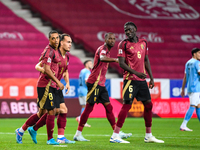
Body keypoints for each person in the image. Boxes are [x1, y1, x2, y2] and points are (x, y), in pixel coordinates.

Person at [110, 22, 164, 143]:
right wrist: (136, 72)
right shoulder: (123, 44)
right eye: (125, 30)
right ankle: (115, 135)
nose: (127, 32)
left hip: (142, 80)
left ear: (135, 29)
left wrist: (151, 77)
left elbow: (146, 59)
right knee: (127, 105)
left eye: (129, 29)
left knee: (149, 105)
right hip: (130, 80)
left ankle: (148, 135)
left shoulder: (144, 42)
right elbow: (121, 63)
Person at [73, 32, 132, 141]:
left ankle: (116, 133)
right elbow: (102, 57)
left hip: (101, 84)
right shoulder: (103, 49)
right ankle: (78, 134)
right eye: (109, 38)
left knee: (109, 107)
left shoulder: (107, 51)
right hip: (94, 83)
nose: (112, 40)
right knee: (88, 109)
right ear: (105, 39)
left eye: (113, 39)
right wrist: (116, 60)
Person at [15, 30, 64, 145]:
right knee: (51, 111)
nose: (56, 40)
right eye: (53, 38)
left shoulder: (54, 51)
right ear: (49, 39)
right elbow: (46, 69)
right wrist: (58, 81)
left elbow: (41, 62)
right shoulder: (49, 51)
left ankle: (22, 130)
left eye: (57, 38)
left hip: (51, 85)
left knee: (43, 112)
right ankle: (50, 139)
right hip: (45, 85)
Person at [27, 34, 75, 144]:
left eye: (71, 42)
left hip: (57, 86)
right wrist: (46, 72)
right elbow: (38, 65)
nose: (70, 44)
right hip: (49, 85)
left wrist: (67, 83)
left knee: (62, 110)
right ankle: (33, 130)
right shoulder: (52, 52)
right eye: (68, 42)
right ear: (61, 43)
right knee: (49, 112)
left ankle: (60, 137)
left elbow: (66, 71)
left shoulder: (66, 57)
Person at [180, 48, 200, 131]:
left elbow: (185, 77)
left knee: (198, 106)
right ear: (194, 54)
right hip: (195, 87)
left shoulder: (188, 63)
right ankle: (183, 125)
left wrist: (182, 89)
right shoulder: (197, 63)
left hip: (190, 87)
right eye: (199, 53)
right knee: (193, 105)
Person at [76, 60, 93, 127]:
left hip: (80, 90)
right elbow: (87, 81)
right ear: (86, 65)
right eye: (90, 63)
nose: (91, 64)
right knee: (87, 106)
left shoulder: (82, 71)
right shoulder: (87, 71)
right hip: (85, 90)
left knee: (84, 106)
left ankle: (80, 118)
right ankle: (83, 121)